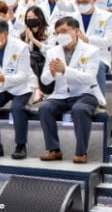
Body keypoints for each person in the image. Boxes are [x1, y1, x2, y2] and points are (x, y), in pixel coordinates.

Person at [39, 17, 104, 164]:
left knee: (79, 109)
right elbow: (44, 80)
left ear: (76, 31)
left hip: (85, 93)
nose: (60, 35)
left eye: (64, 31)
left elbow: (89, 78)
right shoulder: (52, 51)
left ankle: (81, 153)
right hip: (61, 94)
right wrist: (52, 72)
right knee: (44, 108)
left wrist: (65, 70)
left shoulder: (91, 51)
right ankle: (54, 150)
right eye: (57, 33)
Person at [0, 18, 33, 160]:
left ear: (4, 34)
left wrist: (3, 78)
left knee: (17, 108)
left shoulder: (21, 47)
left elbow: (23, 75)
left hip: (19, 87)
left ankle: (21, 146)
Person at [71, 0, 112, 98]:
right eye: (78, 2)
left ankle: (100, 103)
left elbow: (108, 41)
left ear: (94, 0)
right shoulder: (72, 18)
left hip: (100, 56)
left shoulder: (107, 17)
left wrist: (87, 39)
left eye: (85, 2)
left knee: (97, 65)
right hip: (77, 55)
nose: (81, 5)